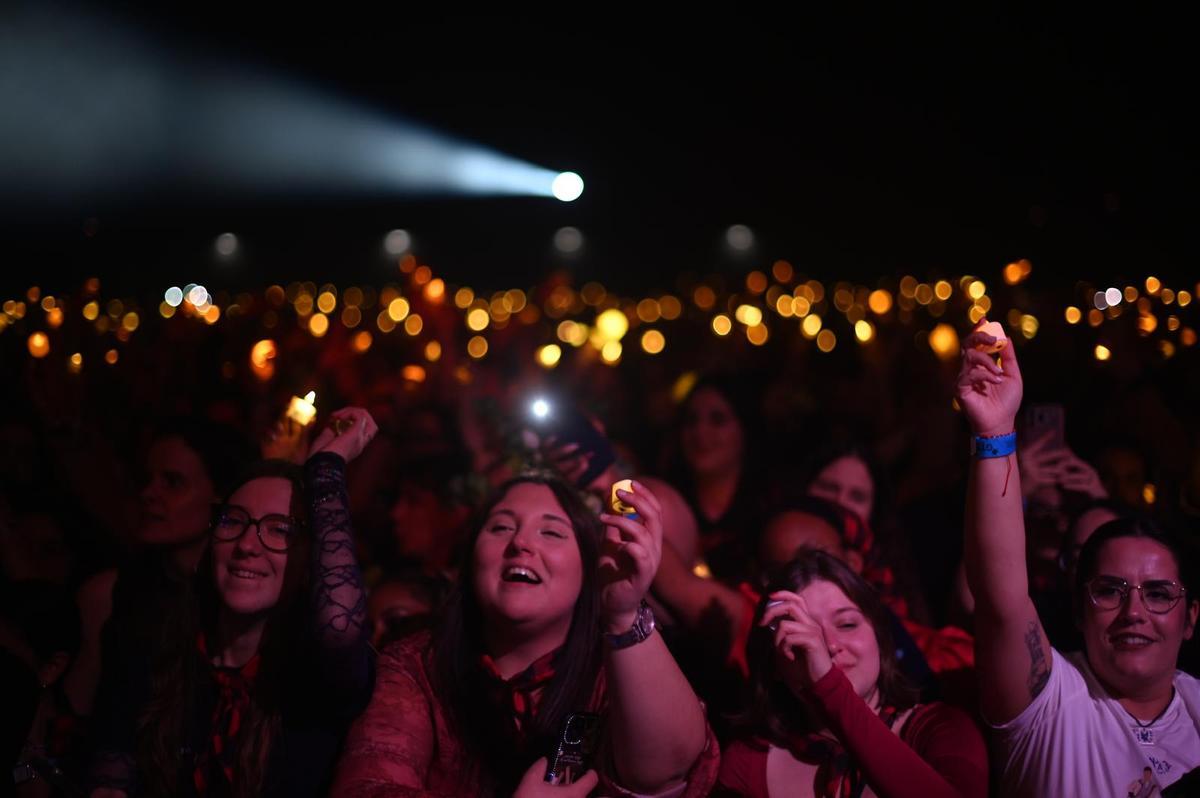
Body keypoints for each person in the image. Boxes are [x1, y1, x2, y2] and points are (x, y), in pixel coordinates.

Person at [332, 476, 718, 796]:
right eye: (501, 527)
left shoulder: (611, 673)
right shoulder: (416, 665)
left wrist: (622, 614)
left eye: (551, 532)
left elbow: (675, 772)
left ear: (589, 569)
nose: (521, 544)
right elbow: (367, 786)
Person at [957, 325, 1200, 795]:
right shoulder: (1052, 701)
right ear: (1077, 607)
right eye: (1109, 590)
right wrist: (994, 433)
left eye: (1158, 594)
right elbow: (999, 597)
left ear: (1191, 617)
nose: (1134, 613)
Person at [88, 408, 376, 798]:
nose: (246, 544)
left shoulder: (314, 673)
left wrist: (326, 468)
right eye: (233, 521)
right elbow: (111, 774)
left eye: (280, 530)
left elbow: (340, 629)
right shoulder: (154, 646)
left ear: (314, 558)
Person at [715, 550, 986, 797]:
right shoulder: (749, 759)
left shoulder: (939, 728)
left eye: (846, 624)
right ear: (773, 665)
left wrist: (828, 686)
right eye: (804, 632)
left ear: (879, 638)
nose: (828, 646)